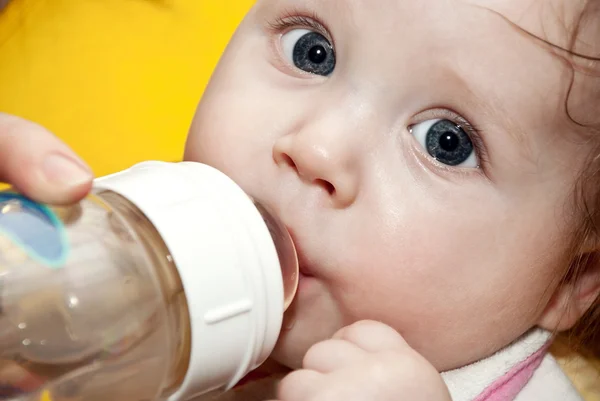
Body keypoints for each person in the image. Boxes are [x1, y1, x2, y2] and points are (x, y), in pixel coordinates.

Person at [1, 1, 599, 400]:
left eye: (446, 143)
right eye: (312, 50)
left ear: (573, 280)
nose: (314, 148)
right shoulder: (122, 265)